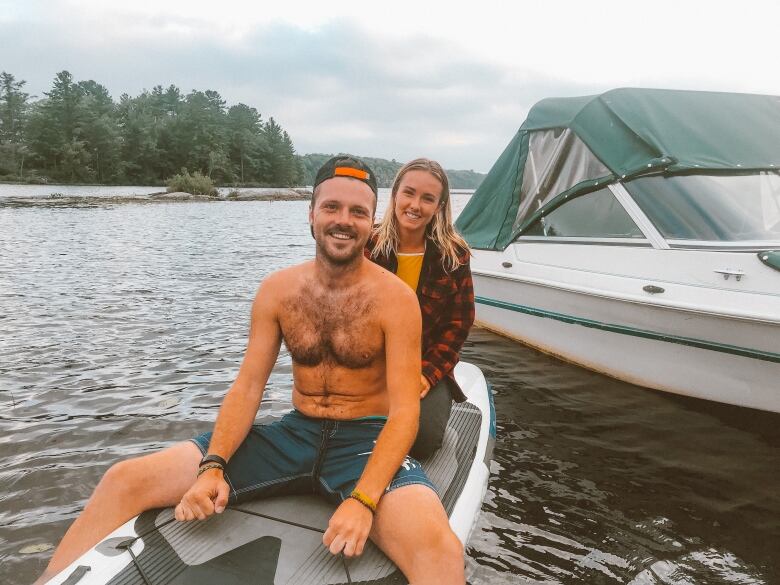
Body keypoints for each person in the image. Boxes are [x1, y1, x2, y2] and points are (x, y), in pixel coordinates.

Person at [35, 156, 465, 585]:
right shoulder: (278, 290)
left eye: (357, 212)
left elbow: (405, 411)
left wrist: (364, 500)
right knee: (124, 479)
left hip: (364, 440)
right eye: (331, 207)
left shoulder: (394, 299)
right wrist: (213, 466)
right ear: (311, 213)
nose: (343, 220)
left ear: (371, 221)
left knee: (441, 553)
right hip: (295, 434)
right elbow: (248, 385)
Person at [366, 158, 475, 460]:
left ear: (439, 206)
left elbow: (459, 325)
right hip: (368, 364)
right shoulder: (368, 246)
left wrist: (426, 376)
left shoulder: (454, 256)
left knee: (422, 441)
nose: (415, 205)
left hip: (424, 365)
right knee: (359, 429)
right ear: (395, 195)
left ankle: (439, 414)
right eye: (409, 193)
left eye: (427, 198)